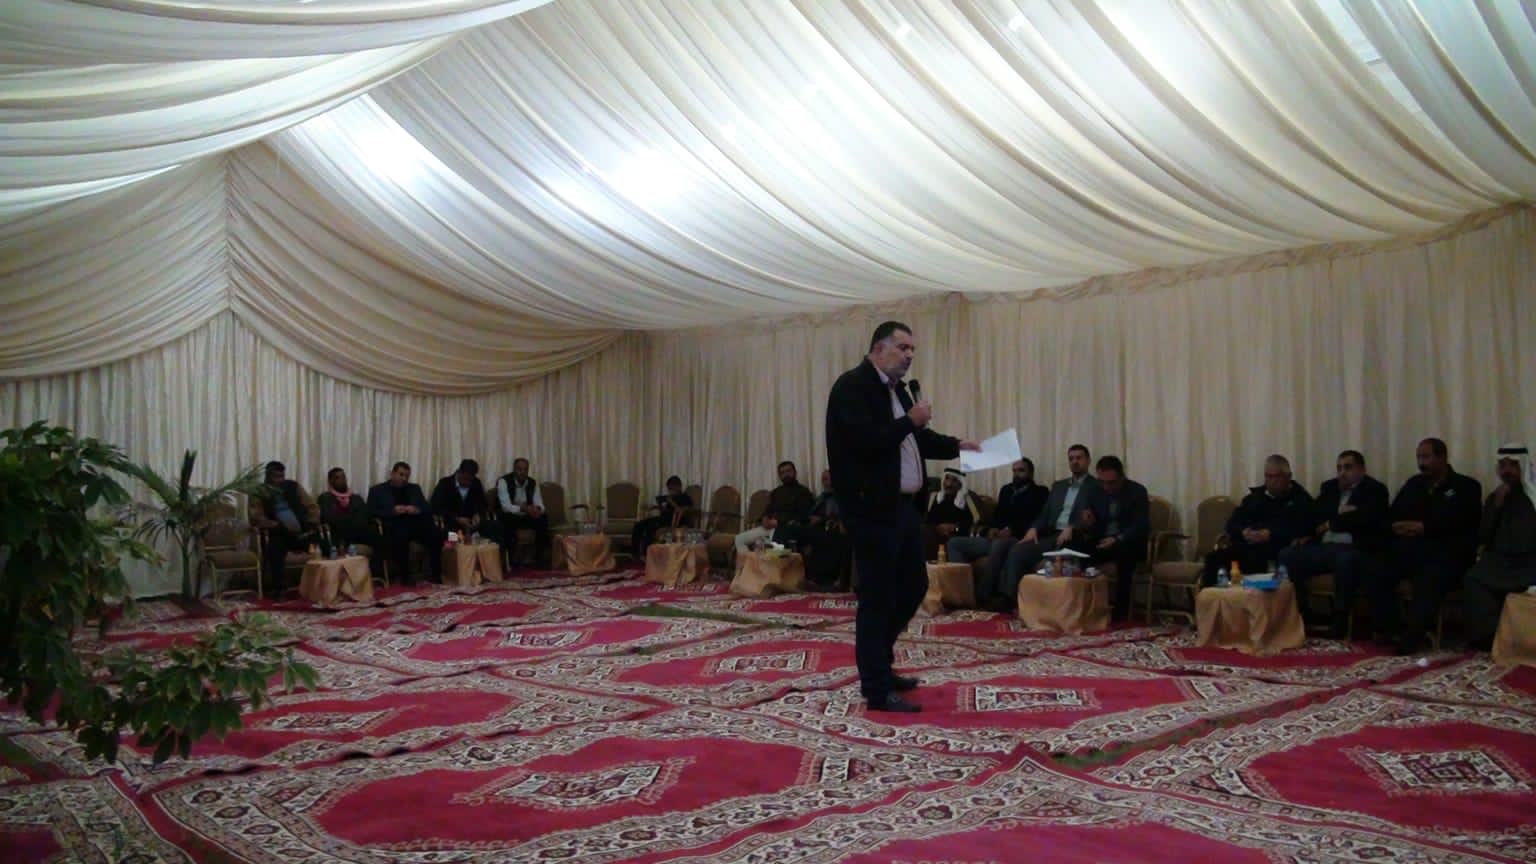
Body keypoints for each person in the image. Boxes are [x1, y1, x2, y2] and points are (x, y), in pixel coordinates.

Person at [826, 321, 979, 713]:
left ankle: (881, 660)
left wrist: (957, 445)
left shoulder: (897, 391)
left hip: (905, 509)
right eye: (903, 347)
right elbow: (864, 442)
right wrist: (910, 421)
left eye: (913, 349)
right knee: (877, 597)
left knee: (913, 586)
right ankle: (876, 688)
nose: (910, 355)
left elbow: (916, 440)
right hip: (871, 509)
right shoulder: (852, 387)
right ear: (879, 348)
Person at [1381, 438, 1481, 654]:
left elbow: (1461, 523)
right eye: (1419, 457)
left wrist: (1424, 527)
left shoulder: (1466, 487)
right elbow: (1393, 516)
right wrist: (1399, 526)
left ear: (1442, 457)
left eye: (1426, 457)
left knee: (1429, 576)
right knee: (1376, 566)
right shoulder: (1414, 484)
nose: (1421, 463)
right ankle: (1390, 629)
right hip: (1412, 549)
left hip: (1449, 554)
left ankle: (1412, 637)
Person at [1278, 450, 1389, 638]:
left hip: (1355, 548)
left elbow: (1369, 519)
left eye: (1348, 467)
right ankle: (1302, 614)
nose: (1342, 473)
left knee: (1345, 560)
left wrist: (1332, 523)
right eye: (1339, 468)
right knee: (1287, 555)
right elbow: (1314, 517)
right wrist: (1308, 534)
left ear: (1362, 470)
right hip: (1325, 547)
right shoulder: (1330, 488)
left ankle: (1340, 621)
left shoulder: (1375, 489)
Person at [999, 445, 1100, 602]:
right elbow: (1045, 514)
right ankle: (1009, 598)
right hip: (1051, 534)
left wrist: (1073, 527)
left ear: (1088, 461)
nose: (1075, 462)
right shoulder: (1059, 486)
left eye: (1079, 458)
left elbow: (1094, 517)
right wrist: (1034, 528)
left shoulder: (1096, 486)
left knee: (1058, 558)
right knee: (1018, 550)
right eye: (1071, 459)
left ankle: (1049, 605)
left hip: (1075, 536)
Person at [1462, 443, 1536, 651]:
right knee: (1474, 579)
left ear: (1523, 466)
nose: (1507, 471)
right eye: (1503, 465)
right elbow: (1484, 536)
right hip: (1500, 561)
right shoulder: (1495, 498)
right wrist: (1496, 507)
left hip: (1529, 561)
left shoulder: (1534, 497)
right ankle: (1488, 640)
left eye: (1513, 465)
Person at [947, 459, 1047, 611]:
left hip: (1018, 539)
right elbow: (997, 517)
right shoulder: (1006, 490)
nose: (1016, 474)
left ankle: (982, 595)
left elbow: (1037, 519)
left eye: (1021, 471)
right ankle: (962, 594)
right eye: (1014, 471)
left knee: (1000, 544)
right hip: (996, 538)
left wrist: (1012, 530)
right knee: (955, 543)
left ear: (1030, 473)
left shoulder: (1040, 492)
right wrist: (991, 530)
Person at [1202, 455, 1313, 590]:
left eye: (1276, 476)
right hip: (1247, 546)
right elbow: (1231, 524)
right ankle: (1210, 600)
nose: (1272, 481)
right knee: (1214, 559)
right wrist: (1243, 532)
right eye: (1268, 476)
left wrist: (1270, 534)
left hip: (1276, 550)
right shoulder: (1254, 498)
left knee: (1257, 561)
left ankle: (1250, 601)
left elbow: (1304, 528)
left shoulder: (1300, 500)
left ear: (1288, 476)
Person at [1080, 455, 1150, 622]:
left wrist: (1118, 538)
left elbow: (1141, 525)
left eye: (1111, 482)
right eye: (1102, 482)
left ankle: (1121, 611)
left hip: (1128, 542)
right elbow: (1090, 523)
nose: (1107, 487)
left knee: (1124, 556)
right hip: (1103, 540)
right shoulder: (1095, 491)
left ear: (1121, 477)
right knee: (1081, 550)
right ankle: (1088, 605)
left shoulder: (1137, 491)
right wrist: (1087, 522)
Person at [367, 461, 444, 585]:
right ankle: (405, 577)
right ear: (392, 474)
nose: (404, 479)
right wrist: (392, 511)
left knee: (436, 534)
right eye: (401, 474)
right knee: (401, 535)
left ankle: (436, 575)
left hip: (415, 524)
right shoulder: (377, 490)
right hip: (393, 525)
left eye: (407, 476)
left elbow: (426, 508)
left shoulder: (415, 489)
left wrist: (416, 509)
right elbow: (370, 512)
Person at [247, 461, 318, 590]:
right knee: (276, 546)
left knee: (323, 540)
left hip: (301, 533)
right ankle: (279, 589)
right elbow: (256, 517)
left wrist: (311, 523)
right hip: (276, 533)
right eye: (276, 477)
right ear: (267, 476)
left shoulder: (293, 487)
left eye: (282, 476)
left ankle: (324, 585)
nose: (279, 480)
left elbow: (312, 506)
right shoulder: (259, 492)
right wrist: (275, 525)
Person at [316, 467, 383, 572]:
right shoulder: (325, 498)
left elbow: (363, 517)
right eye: (338, 478)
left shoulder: (356, 498)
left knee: (378, 536)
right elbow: (329, 518)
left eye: (343, 477)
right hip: (338, 534)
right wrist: (350, 519)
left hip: (358, 532)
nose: (342, 480)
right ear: (331, 481)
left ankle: (375, 573)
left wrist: (347, 519)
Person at [801, 469, 850, 590]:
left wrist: (822, 519)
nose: (825, 481)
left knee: (829, 539)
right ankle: (813, 579)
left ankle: (830, 581)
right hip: (818, 528)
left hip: (835, 528)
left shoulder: (842, 496)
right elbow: (811, 514)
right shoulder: (821, 497)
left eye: (827, 478)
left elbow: (844, 514)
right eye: (823, 479)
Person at [496, 457, 550, 566]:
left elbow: (540, 504)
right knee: (508, 521)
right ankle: (511, 561)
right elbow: (506, 507)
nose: (522, 472)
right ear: (514, 469)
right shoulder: (503, 481)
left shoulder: (532, 483)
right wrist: (523, 508)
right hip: (510, 515)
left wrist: (537, 509)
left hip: (526, 516)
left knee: (543, 519)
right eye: (519, 469)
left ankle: (539, 559)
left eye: (525, 469)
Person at [429, 459, 495, 541]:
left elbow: (483, 504)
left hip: (472, 523)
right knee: (450, 536)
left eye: (470, 480)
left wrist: (477, 514)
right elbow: (435, 506)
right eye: (465, 479)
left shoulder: (476, 482)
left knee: (494, 527)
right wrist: (457, 518)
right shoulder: (445, 483)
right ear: (459, 472)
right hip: (452, 523)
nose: (468, 483)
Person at [921, 468, 979, 561]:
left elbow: (976, 522)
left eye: (954, 480)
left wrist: (955, 528)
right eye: (947, 478)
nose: (949, 484)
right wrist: (937, 528)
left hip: (958, 536)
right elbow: (927, 520)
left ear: (960, 484)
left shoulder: (969, 498)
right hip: (935, 534)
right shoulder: (935, 497)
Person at [632, 476, 693, 557]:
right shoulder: (670, 497)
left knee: (651, 528)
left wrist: (672, 502)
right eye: (669, 489)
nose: (670, 491)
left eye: (672, 489)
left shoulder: (685, 498)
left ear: (679, 487)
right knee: (638, 525)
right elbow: (665, 509)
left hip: (673, 522)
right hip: (662, 519)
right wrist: (660, 506)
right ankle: (635, 553)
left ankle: (648, 554)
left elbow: (682, 510)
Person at [767, 460, 816, 526]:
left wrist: (778, 522)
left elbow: (803, 515)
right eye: (782, 473)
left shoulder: (803, 491)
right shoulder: (776, 492)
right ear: (780, 476)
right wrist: (765, 518)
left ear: (795, 472)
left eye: (788, 471)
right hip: (771, 525)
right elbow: (768, 510)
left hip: (789, 527)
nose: (786, 475)